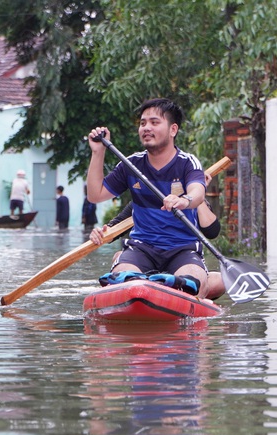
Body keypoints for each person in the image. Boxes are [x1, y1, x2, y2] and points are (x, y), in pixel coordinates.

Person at [86, 97, 209, 298]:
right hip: (141, 247)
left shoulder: (188, 162)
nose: (146, 128)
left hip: (182, 249)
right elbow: (95, 195)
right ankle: (145, 280)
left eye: (154, 122)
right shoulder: (131, 164)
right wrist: (98, 153)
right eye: (143, 123)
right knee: (121, 277)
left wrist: (183, 200)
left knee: (194, 282)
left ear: (173, 130)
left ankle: (197, 282)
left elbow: (197, 192)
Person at [92, 171, 226, 300]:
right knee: (119, 257)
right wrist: (100, 233)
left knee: (220, 282)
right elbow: (113, 229)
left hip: (181, 256)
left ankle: (172, 284)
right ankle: (148, 282)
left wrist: (198, 192)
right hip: (144, 254)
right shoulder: (143, 199)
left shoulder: (194, 200)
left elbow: (212, 232)